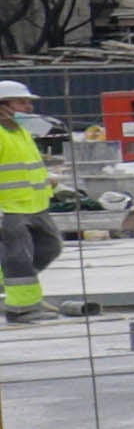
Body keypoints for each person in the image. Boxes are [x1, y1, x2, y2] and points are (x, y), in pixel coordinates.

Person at [0, 79, 53, 322]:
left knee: (51, 247)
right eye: (22, 102)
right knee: (18, 257)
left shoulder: (19, 130)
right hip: (9, 208)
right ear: (3, 105)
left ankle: (7, 283)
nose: (29, 108)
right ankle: (22, 308)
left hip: (34, 204)